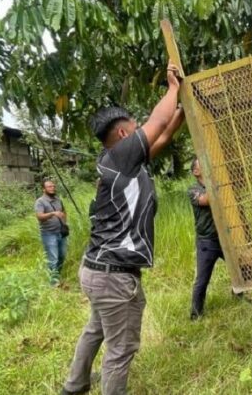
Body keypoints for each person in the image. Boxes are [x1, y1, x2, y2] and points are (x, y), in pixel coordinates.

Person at [61, 62, 185, 395]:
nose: (142, 130)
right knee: (121, 351)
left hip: (98, 271)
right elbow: (157, 122)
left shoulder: (122, 164)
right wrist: (173, 88)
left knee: (95, 330)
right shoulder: (119, 157)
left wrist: (182, 109)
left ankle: (73, 387)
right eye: (135, 127)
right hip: (115, 276)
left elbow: (165, 132)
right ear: (123, 134)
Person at [188, 157, 228, 319]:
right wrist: (217, 182)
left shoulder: (216, 184)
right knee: (202, 280)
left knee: (240, 269)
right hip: (207, 241)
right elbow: (206, 200)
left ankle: (239, 295)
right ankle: (196, 314)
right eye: (201, 164)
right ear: (195, 172)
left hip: (224, 238)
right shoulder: (193, 189)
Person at [35, 180, 68, 286]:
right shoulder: (40, 201)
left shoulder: (58, 199)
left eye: (53, 186)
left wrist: (64, 223)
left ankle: (56, 275)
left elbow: (63, 211)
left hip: (61, 233)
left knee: (62, 255)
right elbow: (39, 217)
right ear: (43, 189)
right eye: (49, 187)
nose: (52, 188)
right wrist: (53, 213)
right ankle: (53, 283)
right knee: (53, 258)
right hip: (49, 234)